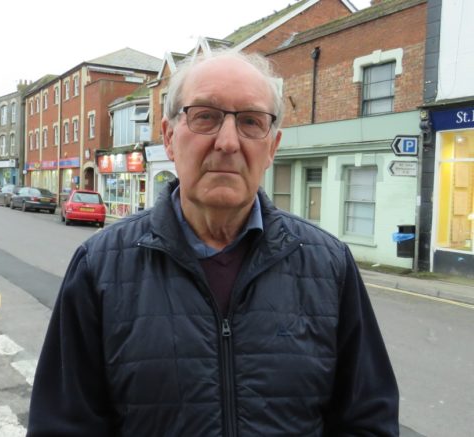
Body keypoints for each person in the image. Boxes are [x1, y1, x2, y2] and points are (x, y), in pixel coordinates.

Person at [27, 49, 399, 436]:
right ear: (169, 138)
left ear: (272, 147)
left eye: (252, 122)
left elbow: (368, 420)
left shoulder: (330, 264)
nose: (228, 142)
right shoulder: (97, 266)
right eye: (205, 116)